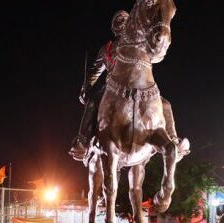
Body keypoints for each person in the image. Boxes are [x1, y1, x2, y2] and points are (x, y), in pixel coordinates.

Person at [69, 10, 188, 161]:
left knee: (165, 104)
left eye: (125, 19)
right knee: (93, 103)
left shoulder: (141, 45)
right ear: (114, 27)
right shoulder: (106, 48)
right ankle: (82, 142)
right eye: (118, 20)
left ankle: (173, 141)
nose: (122, 22)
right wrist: (86, 86)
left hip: (140, 89)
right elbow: (94, 70)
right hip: (112, 88)